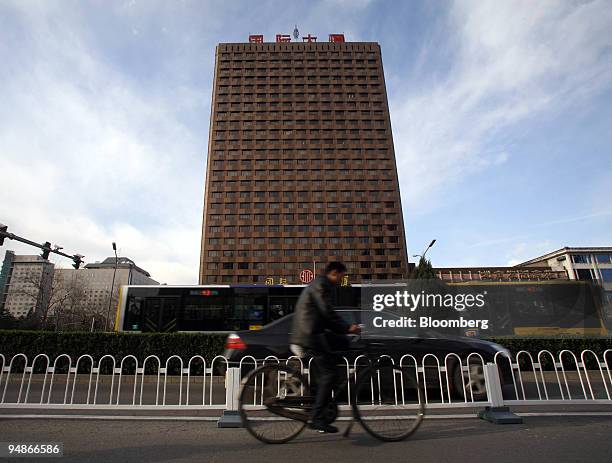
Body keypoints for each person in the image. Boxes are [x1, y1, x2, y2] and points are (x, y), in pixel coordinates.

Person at [290, 261, 361, 433]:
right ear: (334, 272)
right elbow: (327, 312)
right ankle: (317, 417)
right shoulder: (321, 285)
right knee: (328, 374)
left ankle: (325, 397)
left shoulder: (321, 284)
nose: (342, 280)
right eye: (342, 276)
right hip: (309, 336)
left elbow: (326, 316)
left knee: (343, 343)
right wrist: (348, 327)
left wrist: (344, 333)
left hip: (314, 332)